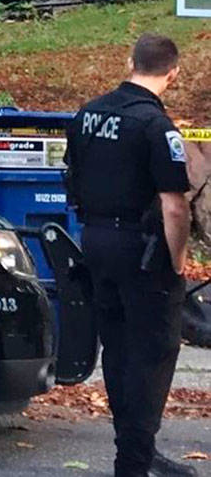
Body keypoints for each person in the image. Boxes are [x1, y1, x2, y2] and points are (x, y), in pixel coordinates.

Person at [66, 34, 194, 477]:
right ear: (173, 74)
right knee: (154, 353)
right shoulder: (156, 127)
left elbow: (73, 178)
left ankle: (138, 450)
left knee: (119, 351)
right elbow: (175, 205)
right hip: (143, 253)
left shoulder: (88, 115)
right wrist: (177, 263)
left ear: (129, 62)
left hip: (96, 243)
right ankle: (133, 463)